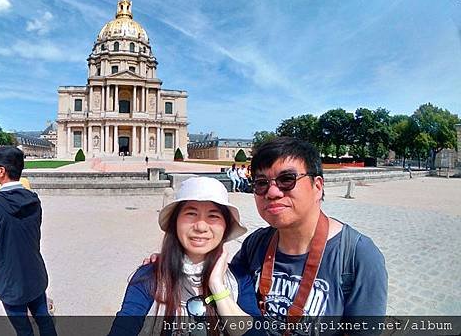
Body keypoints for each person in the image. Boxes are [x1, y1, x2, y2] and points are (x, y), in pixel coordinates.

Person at [229, 137, 387, 334]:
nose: (272, 192)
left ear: (318, 186)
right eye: (261, 183)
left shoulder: (358, 256)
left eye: (286, 179)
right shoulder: (255, 243)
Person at [109, 177, 260, 335]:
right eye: (191, 213)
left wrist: (217, 286)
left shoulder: (239, 279)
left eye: (213, 216)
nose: (201, 226)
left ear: (226, 226)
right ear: (175, 222)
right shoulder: (149, 276)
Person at [0, 146, 56, 336]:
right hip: (34, 273)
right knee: (44, 321)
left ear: (1, 171)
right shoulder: (34, 200)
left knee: (24, 330)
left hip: (9, 279)